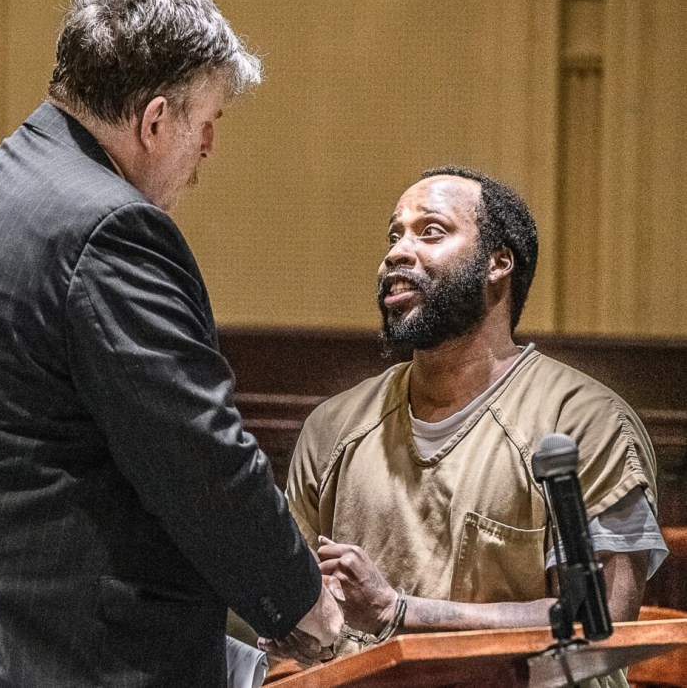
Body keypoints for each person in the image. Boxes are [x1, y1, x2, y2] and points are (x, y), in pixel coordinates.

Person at [0, 0, 341, 686]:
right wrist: (303, 602)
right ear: (156, 120)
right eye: (208, 122)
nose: (209, 149)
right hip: (63, 649)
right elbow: (197, 454)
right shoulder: (112, 229)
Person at [281, 166, 667, 686]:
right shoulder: (333, 428)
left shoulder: (585, 422)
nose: (397, 251)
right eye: (394, 235)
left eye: (430, 231)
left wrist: (400, 614)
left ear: (498, 263)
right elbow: (300, 619)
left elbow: (603, 625)